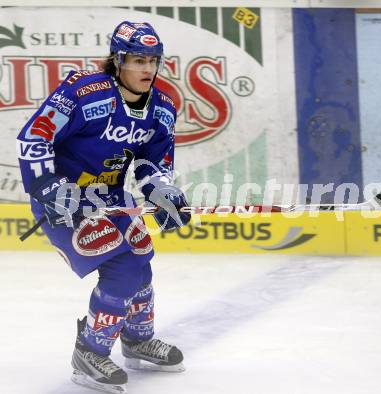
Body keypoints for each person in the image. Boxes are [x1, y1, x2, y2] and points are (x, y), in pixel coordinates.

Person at [16, 21, 191, 394]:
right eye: (138, 60)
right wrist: (46, 184)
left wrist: (162, 193)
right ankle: (89, 352)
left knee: (141, 261)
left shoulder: (162, 107)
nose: (148, 69)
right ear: (118, 59)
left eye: (153, 61)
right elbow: (35, 136)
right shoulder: (84, 91)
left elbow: (153, 163)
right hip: (63, 201)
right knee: (123, 269)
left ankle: (137, 340)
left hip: (110, 199)